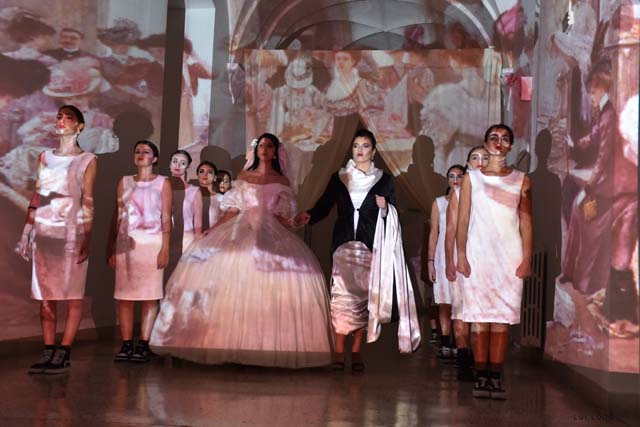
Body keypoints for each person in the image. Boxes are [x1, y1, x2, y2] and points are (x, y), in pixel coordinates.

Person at [150, 133, 333, 368]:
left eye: (269, 146)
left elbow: (282, 216)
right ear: (256, 150)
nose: (264, 149)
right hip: (241, 227)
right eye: (261, 145)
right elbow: (233, 209)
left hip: (270, 230)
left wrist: (295, 221)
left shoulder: (282, 180)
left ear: (275, 152)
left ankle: (262, 343)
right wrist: (213, 229)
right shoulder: (245, 175)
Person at [296, 129, 421, 371]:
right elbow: (324, 205)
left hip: (370, 245)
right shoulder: (340, 177)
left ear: (373, 151)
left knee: (363, 298)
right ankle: (338, 350)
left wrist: (385, 209)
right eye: (356, 146)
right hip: (343, 244)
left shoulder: (384, 180)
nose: (360, 150)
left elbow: (392, 213)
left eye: (365, 146)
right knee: (342, 297)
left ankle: (356, 351)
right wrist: (309, 215)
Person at [18, 105, 97, 374]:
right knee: (45, 294)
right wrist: (26, 231)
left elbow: (88, 200)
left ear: (80, 126)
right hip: (45, 232)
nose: (62, 121)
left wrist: (87, 236)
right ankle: (48, 349)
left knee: (72, 293)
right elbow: (38, 194)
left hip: (71, 232)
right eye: (59, 117)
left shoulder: (87, 160)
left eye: (68, 118)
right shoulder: (45, 157)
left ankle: (64, 351)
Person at [456, 124, 532, 399]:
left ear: (510, 145)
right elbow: (463, 220)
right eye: (494, 137)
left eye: (505, 138)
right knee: (479, 318)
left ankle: (495, 377)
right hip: (478, 255)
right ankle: (481, 375)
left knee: (501, 318)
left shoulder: (521, 180)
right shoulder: (471, 179)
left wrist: (527, 258)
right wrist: (461, 254)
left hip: (508, 256)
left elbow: (526, 221)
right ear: (486, 143)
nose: (499, 142)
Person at [109, 140, 172, 363]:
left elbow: (166, 217)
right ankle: (126, 344)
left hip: (152, 245)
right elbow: (119, 216)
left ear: (155, 158)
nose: (141, 154)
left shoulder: (163, 183)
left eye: (146, 151)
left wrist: (165, 248)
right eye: (137, 151)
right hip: (127, 246)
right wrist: (113, 248)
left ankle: (144, 344)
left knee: (149, 296)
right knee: (125, 297)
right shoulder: (124, 181)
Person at [445, 146, 489, 380]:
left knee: (481, 312)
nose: (480, 161)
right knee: (460, 309)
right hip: (462, 259)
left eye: (485, 157)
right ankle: (463, 358)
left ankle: (479, 359)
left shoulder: (496, 191)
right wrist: (449, 261)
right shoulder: (459, 192)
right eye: (475, 158)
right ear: (468, 164)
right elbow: (450, 231)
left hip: (486, 261)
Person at [427, 164, 465, 360]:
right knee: (444, 301)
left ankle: (461, 344)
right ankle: (445, 342)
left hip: (462, 254)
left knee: (460, 301)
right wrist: (430, 261)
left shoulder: (469, 201)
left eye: (459, 176)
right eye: (452, 176)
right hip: (443, 255)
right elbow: (434, 233)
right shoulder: (439, 203)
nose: (455, 180)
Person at [169, 149, 202, 250]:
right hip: (161, 238)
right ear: (170, 164)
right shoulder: (160, 187)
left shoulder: (194, 191)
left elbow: (198, 224)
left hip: (185, 240)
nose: (178, 165)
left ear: (188, 167)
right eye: (175, 161)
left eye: (183, 163)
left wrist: (196, 245)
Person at [195, 160, 218, 230]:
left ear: (215, 177)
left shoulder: (220, 198)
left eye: (209, 172)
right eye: (201, 171)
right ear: (197, 176)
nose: (205, 174)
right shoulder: (190, 196)